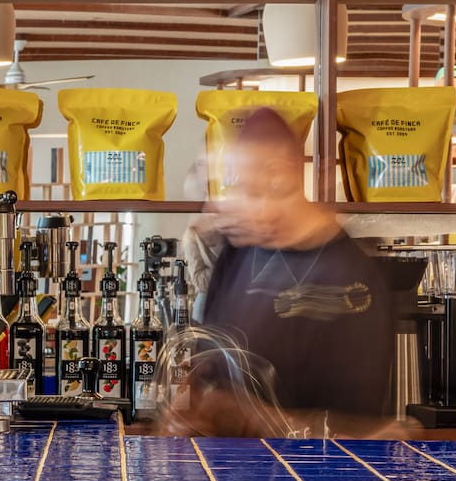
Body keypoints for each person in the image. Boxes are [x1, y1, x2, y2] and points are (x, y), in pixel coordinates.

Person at [165, 108, 399, 438]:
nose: (221, 207)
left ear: (279, 176)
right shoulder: (238, 252)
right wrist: (188, 407)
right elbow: (212, 369)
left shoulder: (351, 280)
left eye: (237, 186)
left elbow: (356, 437)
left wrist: (245, 417)